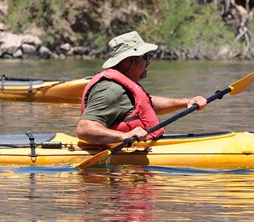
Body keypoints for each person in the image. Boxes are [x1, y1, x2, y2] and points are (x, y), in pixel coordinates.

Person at [77, 31, 208, 145]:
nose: (148, 62)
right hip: (119, 166)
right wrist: (124, 136)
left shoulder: (123, 87)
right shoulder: (110, 90)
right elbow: (85, 129)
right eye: (145, 57)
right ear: (130, 61)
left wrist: (186, 102)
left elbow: (147, 105)